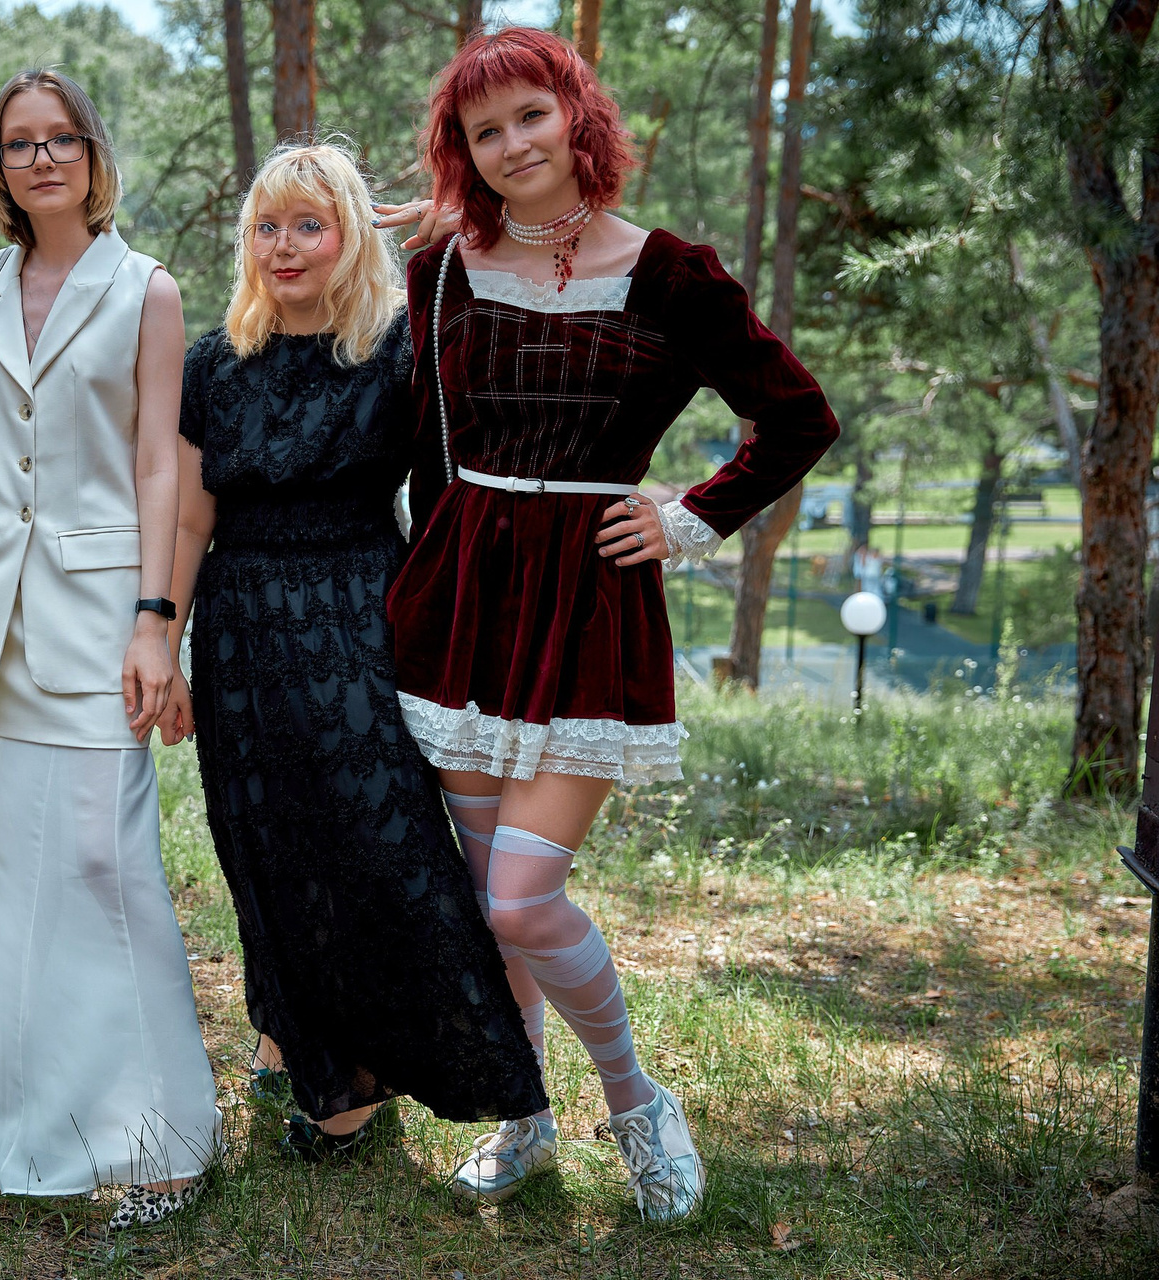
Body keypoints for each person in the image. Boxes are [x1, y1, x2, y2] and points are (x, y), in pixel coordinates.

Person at [390, 27, 841, 1219]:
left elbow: (800, 416)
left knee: (522, 898)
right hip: (461, 603)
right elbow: (420, 442)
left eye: (530, 115)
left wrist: (692, 517)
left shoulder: (671, 272)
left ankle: (638, 1103)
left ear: (576, 115)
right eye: (485, 132)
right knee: (485, 899)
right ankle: (524, 1113)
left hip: (589, 603)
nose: (513, 144)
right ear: (465, 153)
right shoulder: (440, 272)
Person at [156, 142, 548, 1164]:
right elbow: (191, 520)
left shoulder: (401, 348)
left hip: (363, 618)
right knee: (266, 843)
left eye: (310, 225)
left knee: (379, 842)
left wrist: (463, 226)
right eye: (266, 227)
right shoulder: (213, 362)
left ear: (352, 237)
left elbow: (464, 467)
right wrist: (160, 634)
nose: (284, 247)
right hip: (242, 628)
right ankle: (300, 1037)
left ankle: (370, 1076)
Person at [0, 69, 219, 1230]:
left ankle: (163, 1139)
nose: (40, 158)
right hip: (0, 626)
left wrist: (157, 620)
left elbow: (161, 464)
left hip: (105, 621)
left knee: (107, 866)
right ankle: (21, 1124)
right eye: (19, 144)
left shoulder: (147, 289)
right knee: (28, 882)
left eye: (60, 139)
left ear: (94, 155)